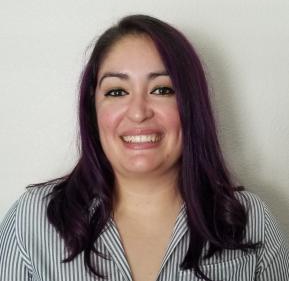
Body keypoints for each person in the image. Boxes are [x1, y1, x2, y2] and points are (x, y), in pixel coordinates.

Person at [0, 14, 288, 281]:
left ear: (191, 106)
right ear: (93, 110)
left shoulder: (250, 222)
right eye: (117, 91)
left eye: (162, 90)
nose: (138, 112)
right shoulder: (31, 221)